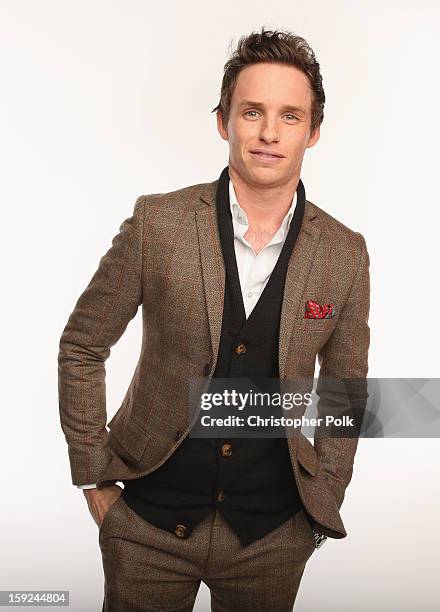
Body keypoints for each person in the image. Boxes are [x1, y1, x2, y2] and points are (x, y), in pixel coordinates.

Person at [58, 26, 370, 612]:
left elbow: (345, 392)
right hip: (146, 527)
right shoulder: (159, 225)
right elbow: (82, 345)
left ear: (315, 131)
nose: (270, 133)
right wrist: (94, 479)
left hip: (273, 537)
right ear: (223, 121)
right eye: (252, 112)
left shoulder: (345, 254)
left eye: (290, 116)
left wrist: (321, 503)